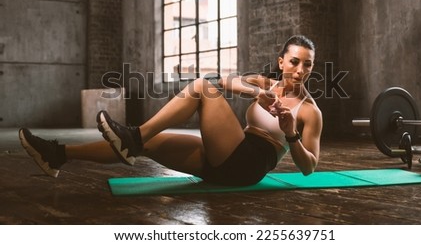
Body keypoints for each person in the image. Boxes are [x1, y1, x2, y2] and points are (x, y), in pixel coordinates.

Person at [19, 35, 322, 186]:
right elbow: (224, 81)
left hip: (249, 164)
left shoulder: (310, 111)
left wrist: (290, 133)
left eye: (306, 64)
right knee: (148, 146)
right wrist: (259, 92)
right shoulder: (263, 82)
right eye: (294, 61)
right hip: (225, 154)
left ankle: (133, 136)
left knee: (202, 87)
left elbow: (309, 168)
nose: (299, 69)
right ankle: (58, 155)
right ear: (282, 61)